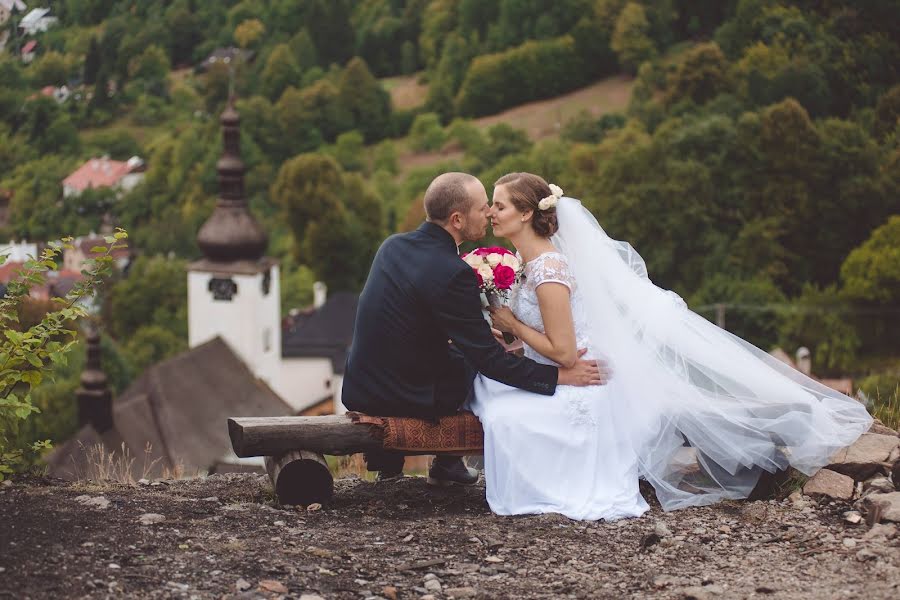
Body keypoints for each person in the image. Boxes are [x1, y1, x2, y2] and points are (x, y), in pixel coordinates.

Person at [469, 172, 873, 519]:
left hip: (579, 378)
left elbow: (565, 353)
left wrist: (513, 326)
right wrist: (511, 336)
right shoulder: (528, 264)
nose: (491, 213)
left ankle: (774, 430)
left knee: (506, 415)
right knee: (491, 394)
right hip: (562, 372)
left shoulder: (549, 270)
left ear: (526, 213)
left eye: (499, 206)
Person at [342, 172, 608, 485]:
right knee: (473, 367)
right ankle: (446, 463)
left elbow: (409, 318)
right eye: (483, 208)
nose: (489, 213)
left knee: (462, 351)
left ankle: (413, 464)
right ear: (457, 219)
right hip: (403, 396)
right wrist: (561, 376)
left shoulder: (393, 246)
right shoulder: (453, 272)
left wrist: (476, 333)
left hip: (361, 385)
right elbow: (490, 362)